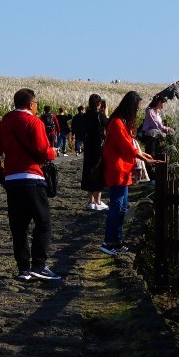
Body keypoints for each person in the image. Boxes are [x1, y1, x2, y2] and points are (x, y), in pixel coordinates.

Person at [0, 87, 60, 282]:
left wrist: (0, 175)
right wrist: (53, 152)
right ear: (31, 104)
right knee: (43, 222)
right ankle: (39, 265)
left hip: (12, 180)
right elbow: (42, 150)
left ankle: (23, 268)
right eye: (35, 104)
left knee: (19, 226)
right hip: (32, 178)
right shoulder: (33, 122)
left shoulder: (6, 122)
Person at [100, 92, 149, 255]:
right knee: (116, 206)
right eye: (136, 107)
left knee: (122, 208)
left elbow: (129, 145)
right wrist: (141, 155)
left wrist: (140, 154)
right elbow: (126, 145)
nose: (137, 111)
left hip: (123, 170)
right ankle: (108, 242)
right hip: (117, 170)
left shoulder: (121, 122)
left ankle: (118, 241)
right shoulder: (117, 123)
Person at [76, 94, 109, 211]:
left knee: (88, 169)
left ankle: (90, 200)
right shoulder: (100, 115)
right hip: (99, 146)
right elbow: (108, 124)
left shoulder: (85, 116)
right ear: (99, 104)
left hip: (88, 145)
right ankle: (98, 200)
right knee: (99, 170)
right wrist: (106, 113)